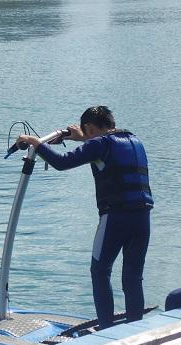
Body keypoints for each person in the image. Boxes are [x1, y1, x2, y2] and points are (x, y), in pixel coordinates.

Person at [17, 106, 153, 330]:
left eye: (86, 133)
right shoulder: (134, 140)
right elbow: (105, 154)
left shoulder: (98, 144)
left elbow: (61, 163)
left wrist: (36, 143)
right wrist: (84, 139)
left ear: (89, 127)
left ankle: (106, 329)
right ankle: (134, 328)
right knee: (132, 276)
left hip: (115, 218)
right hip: (142, 216)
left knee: (100, 271)